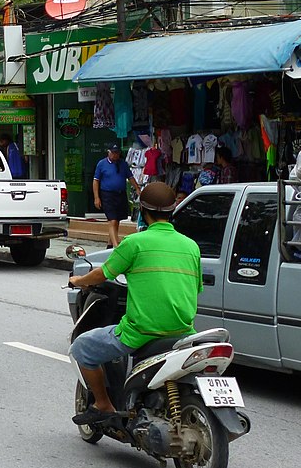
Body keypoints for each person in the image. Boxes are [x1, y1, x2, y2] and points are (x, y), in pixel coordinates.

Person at [67, 181, 201, 425]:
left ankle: (103, 404)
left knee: (82, 348)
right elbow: (197, 287)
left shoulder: (135, 243)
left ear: (142, 211)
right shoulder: (191, 246)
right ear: (172, 210)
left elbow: (102, 274)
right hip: (183, 332)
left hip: (141, 332)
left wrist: (79, 280)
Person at [93, 143, 137, 248]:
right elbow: (96, 181)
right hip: (107, 195)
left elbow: (130, 177)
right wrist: (97, 197)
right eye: (113, 153)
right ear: (108, 152)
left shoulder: (123, 164)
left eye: (117, 153)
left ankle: (110, 243)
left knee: (117, 220)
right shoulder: (102, 164)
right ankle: (116, 245)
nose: (115, 155)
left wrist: (138, 189)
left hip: (120, 194)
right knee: (112, 220)